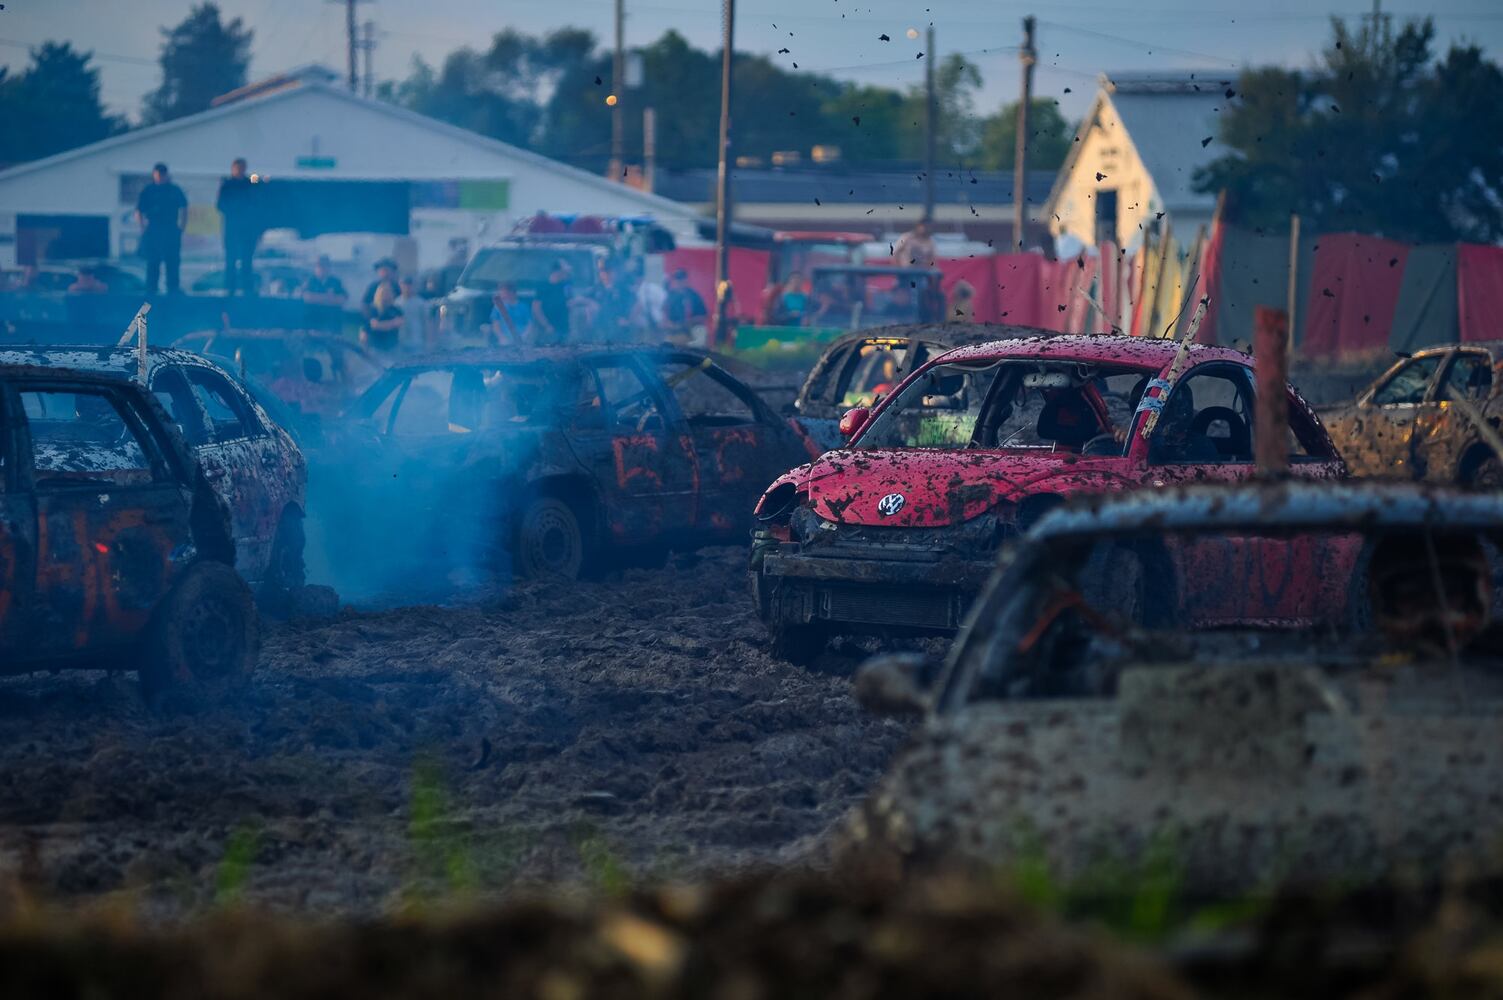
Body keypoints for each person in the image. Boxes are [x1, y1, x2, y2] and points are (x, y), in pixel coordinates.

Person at [136, 162, 187, 295]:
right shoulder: (148, 190)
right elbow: (139, 210)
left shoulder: (174, 190)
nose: (160, 177)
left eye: (162, 174)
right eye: (158, 174)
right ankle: (151, 292)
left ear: (166, 175)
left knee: (173, 262)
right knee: (153, 262)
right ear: (154, 174)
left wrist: (182, 226)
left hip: (171, 229)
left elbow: (184, 207)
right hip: (153, 230)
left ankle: (173, 291)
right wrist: (142, 228)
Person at [216, 158, 259, 296]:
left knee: (247, 260)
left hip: (247, 229)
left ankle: (247, 289)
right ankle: (230, 289)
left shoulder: (250, 184)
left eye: (242, 168)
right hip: (231, 228)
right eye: (237, 168)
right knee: (231, 259)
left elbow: (256, 203)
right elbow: (220, 205)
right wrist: (234, 210)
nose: (240, 171)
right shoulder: (227, 185)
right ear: (233, 169)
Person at [531, 259, 574, 344]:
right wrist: (547, 326)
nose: (567, 273)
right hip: (546, 331)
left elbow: (570, 304)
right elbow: (536, 308)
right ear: (557, 271)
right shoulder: (542, 286)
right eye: (564, 271)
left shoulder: (567, 285)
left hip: (564, 330)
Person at [663, 269, 707, 341]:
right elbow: (664, 315)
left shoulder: (694, 295)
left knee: (700, 334)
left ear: (686, 280)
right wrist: (669, 324)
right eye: (677, 279)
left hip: (692, 328)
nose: (680, 282)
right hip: (675, 330)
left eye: (682, 279)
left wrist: (690, 321)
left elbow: (703, 316)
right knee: (667, 344)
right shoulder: (670, 296)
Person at [360, 282, 404, 354]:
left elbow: (399, 322)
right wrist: (391, 323)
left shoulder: (397, 310)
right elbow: (371, 326)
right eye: (383, 293)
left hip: (393, 348)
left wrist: (380, 325)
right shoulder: (372, 310)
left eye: (388, 292)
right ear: (378, 294)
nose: (385, 295)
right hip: (374, 348)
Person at [397, 277, 430, 352]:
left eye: (409, 285)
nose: (407, 288)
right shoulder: (396, 303)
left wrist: (428, 342)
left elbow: (426, 323)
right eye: (404, 285)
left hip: (417, 341)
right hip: (401, 341)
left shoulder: (421, 303)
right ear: (401, 286)